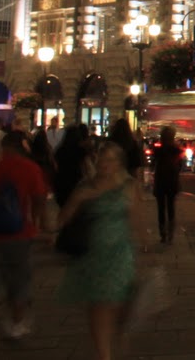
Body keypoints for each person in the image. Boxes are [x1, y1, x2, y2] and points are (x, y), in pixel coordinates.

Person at [57, 141, 148, 360]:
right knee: (100, 306)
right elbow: (63, 219)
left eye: (110, 160)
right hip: (93, 253)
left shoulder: (129, 185)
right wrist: (78, 201)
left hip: (120, 252)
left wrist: (144, 245)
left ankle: (118, 335)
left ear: (119, 163)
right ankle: (104, 355)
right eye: (101, 159)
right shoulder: (86, 187)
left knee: (120, 304)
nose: (104, 165)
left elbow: (137, 217)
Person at [0, 130, 49, 355]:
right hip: (19, 233)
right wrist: (39, 224)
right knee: (18, 282)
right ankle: (16, 325)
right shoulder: (29, 168)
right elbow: (39, 199)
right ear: (23, 146)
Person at [149, 127, 184, 244]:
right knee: (171, 207)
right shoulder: (176, 150)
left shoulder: (158, 150)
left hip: (160, 181)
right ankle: (170, 233)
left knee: (161, 208)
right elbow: (180, 166)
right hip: (172, 181)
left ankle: (162, 233)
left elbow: (153, 164)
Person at [53, 124, 92, 207]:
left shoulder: (60, 150)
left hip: (61, 182)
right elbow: (87, 167)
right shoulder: (80, 151)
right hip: (76, 182)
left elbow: (55, 166)